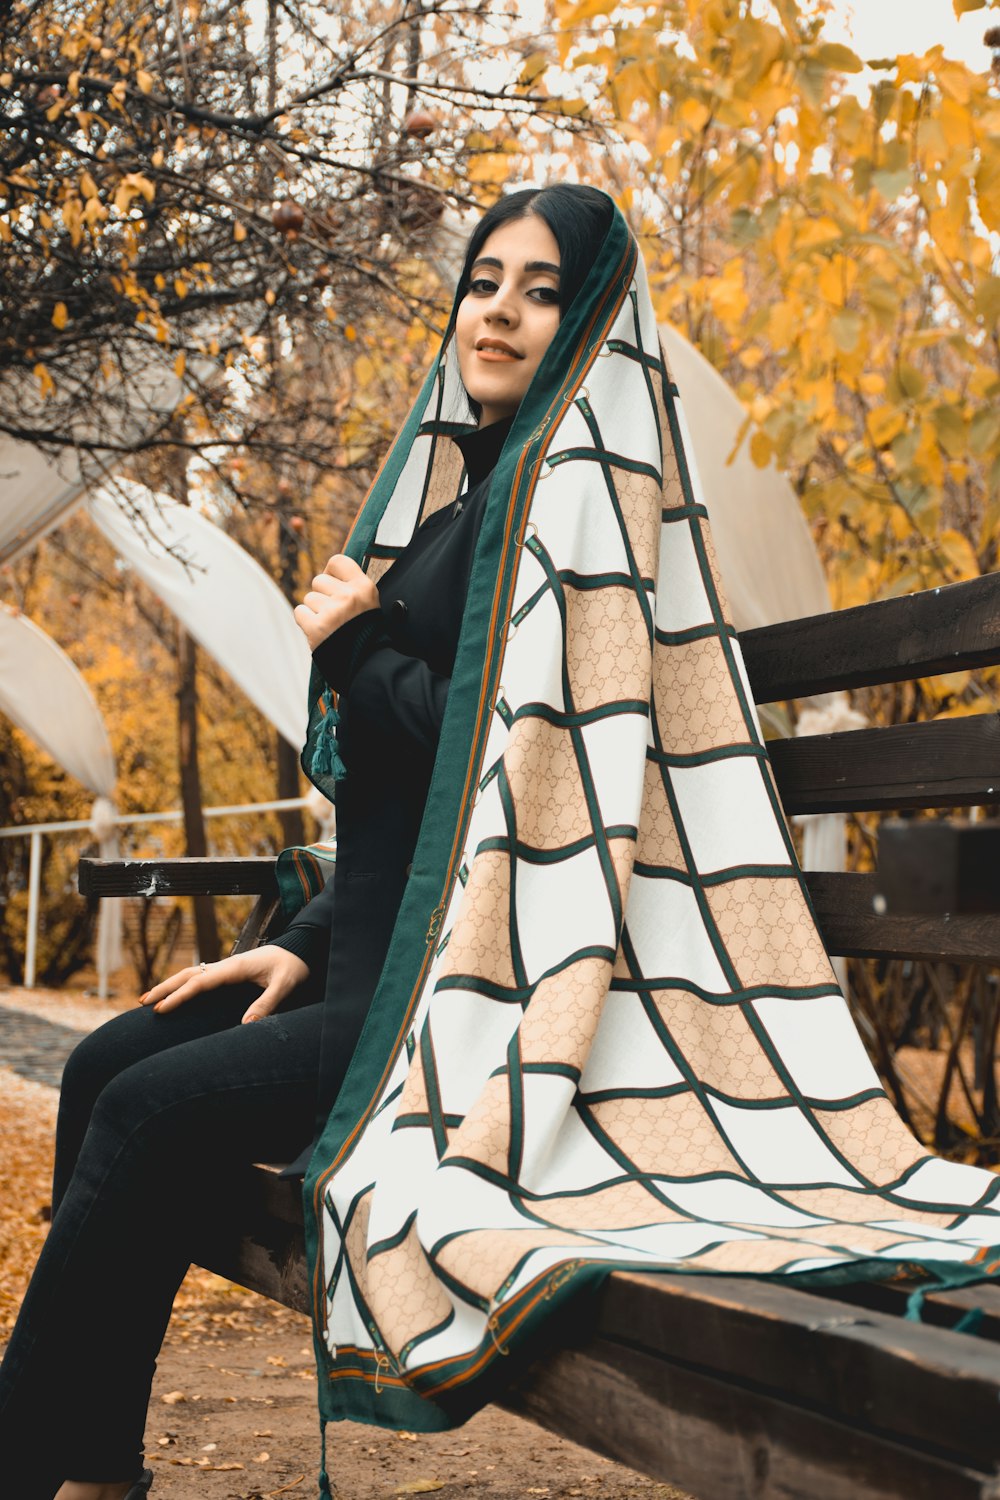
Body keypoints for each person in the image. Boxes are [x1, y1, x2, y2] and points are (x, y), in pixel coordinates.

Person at [0, 184, 616, 1500]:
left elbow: (507, 763)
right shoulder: (458, 514)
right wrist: (295, 943)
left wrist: (362, 635)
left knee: (155, 1107)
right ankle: (98, 1467)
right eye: (485, 277)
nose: (499, 307)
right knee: (109, 1059)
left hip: (459, 1001)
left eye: (543, 286)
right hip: (366, 962)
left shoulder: (566, 513)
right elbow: (399, 799)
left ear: (589, 318)